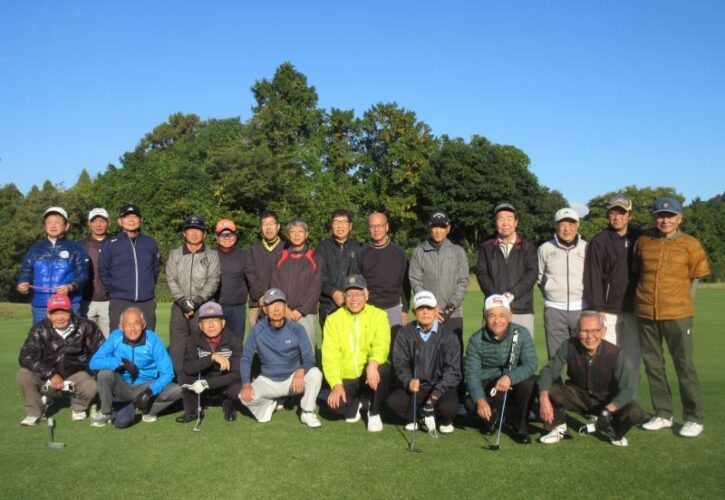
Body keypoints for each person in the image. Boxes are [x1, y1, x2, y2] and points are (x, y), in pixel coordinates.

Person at [634, 197, 711, 437]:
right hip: (646, 312)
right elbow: (638, 272)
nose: (665, 220)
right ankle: (663, 413)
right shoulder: (643, 242)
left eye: (670, 216)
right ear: (654, 218)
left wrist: (683, 303)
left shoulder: (691, 244)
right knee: (653, 366)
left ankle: (694, 417)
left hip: (678, 314)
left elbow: (696, 276)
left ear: (679, 218)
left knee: (684, 365)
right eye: (660, 215)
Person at [538, 311, 646, 447]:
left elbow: (627, 389)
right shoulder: (568, 345)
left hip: (606, 401)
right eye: (584, 331)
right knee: (546, 387)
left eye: (595, 331)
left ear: (603, 332)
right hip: (577, 397)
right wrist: (543, 398)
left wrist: (609, 409)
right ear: (577, 332)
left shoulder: (614, 353)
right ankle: (559, 427)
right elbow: (548, 371)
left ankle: (614, 430)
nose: (590, 336)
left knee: (636, 412)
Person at [583, 194, 643, 393]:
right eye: (613, 213)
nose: (617, 217)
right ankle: (605, 401)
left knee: (632, 359)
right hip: (607, 310)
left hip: (634, 309)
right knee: (606, 359)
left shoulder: (640, 238)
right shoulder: (599, 241)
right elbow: (593, 277)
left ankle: (628, 401)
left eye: (622, 213)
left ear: (629, 216)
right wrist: (598, 308)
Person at [408, 211, 469, 404]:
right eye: (435, 226)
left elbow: (463, 281)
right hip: (427, 314)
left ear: (448, 229)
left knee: (454, 358)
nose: (438, 230)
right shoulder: (419, 251)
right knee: (428, 358)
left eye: (442, 227)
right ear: (430, 228)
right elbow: (415, 280)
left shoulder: (458, 252)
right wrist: (430, 307)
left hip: (453, 314)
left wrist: (449, 308)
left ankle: (457, 400)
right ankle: (427, 399)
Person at [239, 288, 323, 428]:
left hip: (293, 380)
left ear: (285, 307)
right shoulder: (257, 330)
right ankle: (268, 405)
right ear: (265, 309)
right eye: (271, 304)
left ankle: (307, 412)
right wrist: (246, 384)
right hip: (268, 381)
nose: (276, 308)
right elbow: (246, 358)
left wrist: (300, 371)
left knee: (315, 374)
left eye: (280, 304)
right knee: (243, 397)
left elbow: (309, 357)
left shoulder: (297, 329)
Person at [17, 294, 104, 426]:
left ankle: (79, 407)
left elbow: (102, 350)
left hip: (75, 376)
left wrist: (93, 371)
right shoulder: (39, 329)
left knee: (91, 385)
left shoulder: (86, 326)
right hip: (46, 378)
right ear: (48, 315)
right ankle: (35, 412)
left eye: (64, 312)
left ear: (71, 311)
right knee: (24, 374)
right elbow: (26, 356)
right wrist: (50, 374)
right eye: (55, 313)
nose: (60, 317)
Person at [89, 307, 182, 426]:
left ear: (143, 325)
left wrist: (150, 391)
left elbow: (168, 372)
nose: (132, 328)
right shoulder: (115, 337)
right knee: (105, 374)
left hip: (146, 385)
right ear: (121, 327)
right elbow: (94, 362)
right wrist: (121, 362)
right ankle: (105, 412)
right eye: (128, 324)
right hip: (122, 386)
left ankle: (145, 409)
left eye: (136, 323)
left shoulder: (153, 339)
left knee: (178, 390)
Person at [464, 294, 537, 444]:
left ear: (510, 316)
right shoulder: (476, 339)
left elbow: (531, 363)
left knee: (529, 383)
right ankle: (489, 419)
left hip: (512, 384)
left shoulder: (522, 333)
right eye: (492, 316)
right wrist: (480, 400)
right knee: (471, 403)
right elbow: (472, 374)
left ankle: (520, 427)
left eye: (502, 315)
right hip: (489, 384)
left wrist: (510, 377)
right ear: (485, 316)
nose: (497, 321)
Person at [322, 274, 391, 432]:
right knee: (335, 406)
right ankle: (360, 402)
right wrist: (336, 384)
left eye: (358, 294)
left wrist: (373, 363)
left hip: (369, 375)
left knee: (383, 368)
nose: (354, 299)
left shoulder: (379, 315)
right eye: (350, 294)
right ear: (344, 297)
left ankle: (374, 411)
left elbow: (381, 344)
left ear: (366, 295)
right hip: (348, 378)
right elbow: (330, 356)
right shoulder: (333, 320)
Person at [387, 291, 461, 434]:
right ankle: (421, 416)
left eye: (429, 308)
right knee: (393, 402)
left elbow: (452, 371)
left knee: (449, 408)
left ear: (436, 310)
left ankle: (440, 418)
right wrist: (408, 381)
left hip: (441, 388)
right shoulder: (405, 333)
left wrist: (433, 398)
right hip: (417, 386)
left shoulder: (448, 335)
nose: (425, 312)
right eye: (421, 308)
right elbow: (400, 363)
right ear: (414, 312)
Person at [166, 215, 221, 373]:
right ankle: (178, 379)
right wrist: (183, 302)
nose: (194, 233)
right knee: (178, 346)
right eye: (190, 230)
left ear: (204, 234)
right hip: (179, 306)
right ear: (184, 233)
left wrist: (195, 302)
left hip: (204, 306)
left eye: (198, 230)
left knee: (204, 344)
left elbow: (213, 280)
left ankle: (205, 378)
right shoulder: (175, 254)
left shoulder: (212, 254)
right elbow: (171, 279)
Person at [17, 207, 90, 324]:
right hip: (41, 306)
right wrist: (22, 283)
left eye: (57, 222)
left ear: (66, 226)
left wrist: (70, 287)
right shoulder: (35, 249)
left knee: (71, 336)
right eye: (49, 222)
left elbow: (83, 274)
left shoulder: (77, 248)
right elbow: (25, 271)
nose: (53, 226)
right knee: (42, 335)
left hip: (68, 304)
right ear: (44, 226)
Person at [475, 202, 538, 337]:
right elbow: (482, 273)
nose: (505, 223)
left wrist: (511, 295)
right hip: (494, 310)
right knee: (492, 349)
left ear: (516, 222)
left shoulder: (528, 246)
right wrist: (497, 298)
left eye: (509, 219)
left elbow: (532, 273)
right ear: (495, 223)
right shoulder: (486, 247)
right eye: (501, 219)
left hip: (521, 310)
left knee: (523, 349)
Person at [176, 301, 243, 423]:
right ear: (200, 326)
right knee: (183, 376)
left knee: (239, 385)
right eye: (206, 321)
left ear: (223, 323)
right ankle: (193, 410)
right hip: (202, 381)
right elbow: (187, 368)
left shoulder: (234, 340)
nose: (211, 325)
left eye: (215, 320)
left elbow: (236, 374)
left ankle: (229, 404)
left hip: (223, 383)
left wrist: (207, 383)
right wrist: (211, 358)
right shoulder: (193, 339)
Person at [99, 204, 161, 331]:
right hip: (120, 301)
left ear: (141, 220)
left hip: (146, 301)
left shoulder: (150, 242)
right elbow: (104, 271)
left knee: (147, 338)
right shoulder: (111, 244)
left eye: (135, 217)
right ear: (120, 221)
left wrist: (147, 288)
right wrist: (116, 290)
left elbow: (155, 269)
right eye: (127, 217)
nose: (131, 220)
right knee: (119, 338)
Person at [537, 208, 588, 358]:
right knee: (555, 357)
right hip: (554, 310)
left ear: (577, 226)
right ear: (556, 226)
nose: (567, 228)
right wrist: (551, 295)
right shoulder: (545, 248)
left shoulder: (587, 247)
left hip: (582, 308)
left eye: (571, 224)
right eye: (563, 224)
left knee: (582, 357)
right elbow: (539, 278)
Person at [271, 218, 323, 351]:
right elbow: (275, 285)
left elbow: (315, 288)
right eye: (293, 232)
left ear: (306, 234)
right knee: (283, 352)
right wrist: (284, 308)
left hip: (306, 314)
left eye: (300, 231)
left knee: (307, 352)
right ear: (288, 235)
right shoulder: (279, 257)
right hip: (283, 313)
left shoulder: (315, 258)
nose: (297, 235)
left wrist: (301, 310)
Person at [357, 212, 409, 328]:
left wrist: (405, 309)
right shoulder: (361, 253)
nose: (376, 230)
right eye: (372, 226)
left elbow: (405, 284)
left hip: (393, 308)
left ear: (387, 227)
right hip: (369, 308)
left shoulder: (399, 252)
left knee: (395, 339)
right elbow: (358, 283)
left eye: (379, 225)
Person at [316, 209, 360, 331]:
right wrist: (333, 292)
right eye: (336, 222)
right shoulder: (322, 248)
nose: (340, 226)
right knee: (331, 340)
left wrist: (350, 294)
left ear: (350, 226)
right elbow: (318, 275)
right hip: (329, 305)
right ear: (331, 225)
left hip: (353, 304)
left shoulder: (358, 248)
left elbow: (361, 276)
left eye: (344, 222)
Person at [245, 210, 285, 326]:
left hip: (282, 305)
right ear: (261, 228)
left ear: (278, 226)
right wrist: (260, 297)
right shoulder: (253, 250)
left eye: (271, 223)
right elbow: (250, 275)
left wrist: (278, 300)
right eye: (265, 224)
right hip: (258, 304)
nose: (268, 227)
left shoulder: (287, 248)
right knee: (258, 336)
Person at [213, 218, 249, 340]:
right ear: (217, 237)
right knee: (215, 344)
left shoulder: (244, 255)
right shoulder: (210, 255)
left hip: (237, 308)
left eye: (230, 234)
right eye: (223, 235)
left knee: (236, 344)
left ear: (236, 236)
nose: (227, 237)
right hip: (215, 307)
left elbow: (252, 280)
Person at [81, 208, 111, 337]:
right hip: (86, 301)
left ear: (109, 223)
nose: (98, 224)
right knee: (86, 341)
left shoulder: (116, 243)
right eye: (94, 221)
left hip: (110, 301)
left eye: (102, 221)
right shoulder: (80, 246)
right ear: (89, 224)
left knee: (110, 341)